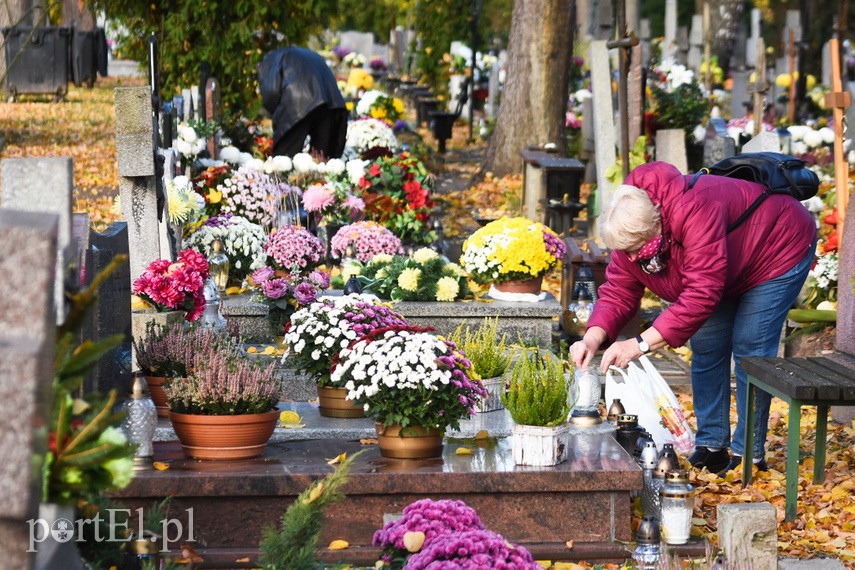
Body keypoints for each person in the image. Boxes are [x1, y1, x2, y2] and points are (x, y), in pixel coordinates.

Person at [569, 161, 816, 475]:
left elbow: (701, 294)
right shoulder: (631, 230)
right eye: (624, 252)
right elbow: (618, 289)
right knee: (707, 343)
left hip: (778, 247)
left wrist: (640, 344)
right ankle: (712, 445)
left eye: (634, 251)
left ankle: (748, 455)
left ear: (654, 229)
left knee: (749, 344)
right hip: (729, 266)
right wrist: (592, 337)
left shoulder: (692, 209)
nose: (630, 259)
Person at [257, 47, 348, 159]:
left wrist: (274, 114)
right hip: (331, 102)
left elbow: (270, 92)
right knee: (321, 158)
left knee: (285, 159)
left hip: (298, 102)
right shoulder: (311, 55)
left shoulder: (268, 60)